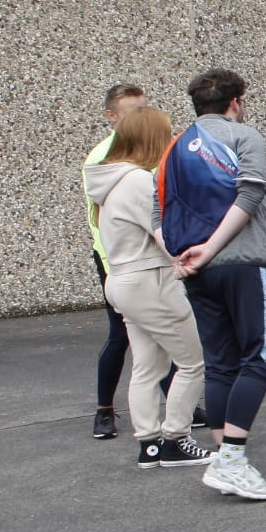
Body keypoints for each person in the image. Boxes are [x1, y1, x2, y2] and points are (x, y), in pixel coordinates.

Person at [162, 68, 266, 501]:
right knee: (263, 358)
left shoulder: (174, 147)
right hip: (243, 262)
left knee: (221, 363)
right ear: (236, 102)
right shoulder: (243, 136)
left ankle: (225, 457)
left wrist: (184, 256)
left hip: (199, 270)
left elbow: (159, 214)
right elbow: (250, 195)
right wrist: (211, 249)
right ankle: (232, 458)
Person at [82, 106, 213, 472]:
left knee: (147, 366)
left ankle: (150, 444)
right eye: (167, 135)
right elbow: (167, 237)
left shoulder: (108, 185)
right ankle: (175, 439)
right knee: (192, 361)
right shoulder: (138, 182)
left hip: (124, 281)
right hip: (150, 281)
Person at [84, 81, 148, 440]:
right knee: (121, 334)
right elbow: (100, 222)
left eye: (144, 110)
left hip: (153, 258)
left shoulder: (153, 151)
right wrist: (113, 271)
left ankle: (177, 400)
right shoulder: (100, 159)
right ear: (111, 117)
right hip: (118, 260)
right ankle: (104, 410)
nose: (140, 118)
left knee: (166, 327)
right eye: (131, 112)